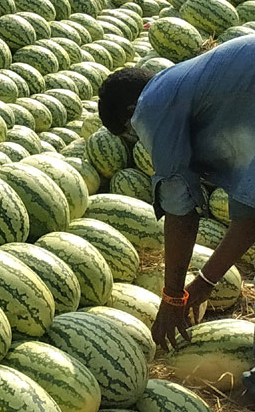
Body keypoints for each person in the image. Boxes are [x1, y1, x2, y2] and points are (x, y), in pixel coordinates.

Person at [96, 37, 255, 355]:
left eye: (131, 132)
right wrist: (204, 283)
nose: (139, 140)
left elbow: (180, 206)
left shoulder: (153, 105)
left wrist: (172, 297)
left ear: (132, 112)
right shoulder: (199, 96)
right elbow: (250, 217)